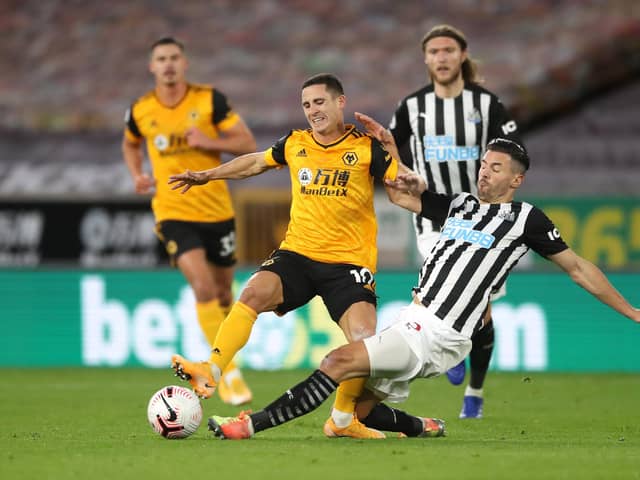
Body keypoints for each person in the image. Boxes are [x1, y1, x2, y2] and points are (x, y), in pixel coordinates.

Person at [205, 137, 640, 440]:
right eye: (484, 165)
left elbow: (580, 268)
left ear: (516, 180)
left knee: (338, 361)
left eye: (496, 169)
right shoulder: (460, 204)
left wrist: (634, 313)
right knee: (359, 411)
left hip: (442, 332)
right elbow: (400, 197)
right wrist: (389, 151)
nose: (484, 174)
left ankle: (250, 424)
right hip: (412, 319)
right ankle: (421, 426)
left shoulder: (526, 219)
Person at [168, 73, 416, 439]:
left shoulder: (366, 149)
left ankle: (344, 420)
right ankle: (212, 369)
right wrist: (208, 175)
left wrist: (393, 150)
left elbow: (404, 185)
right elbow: (255, 162)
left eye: (319, 102)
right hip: (297, 254)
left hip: (348, 263)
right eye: (306, 105)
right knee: (252, 292)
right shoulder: (295, 143)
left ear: (339, 102)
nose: (312, 111)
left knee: (364, 340)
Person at [374, 24, 523, 418]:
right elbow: (390, 158)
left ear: (462, 56)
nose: (441, 57)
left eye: (448, 50)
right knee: (434, 299)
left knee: (482, 311)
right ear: (425, 59)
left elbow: (514, 154)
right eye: (434, 51)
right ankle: (454, 351)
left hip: (484, 217)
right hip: (434, 218)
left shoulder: (487, 105)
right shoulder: (411, 107)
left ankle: (474, 389)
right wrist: (408, 175)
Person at [122, 37, 256, 406]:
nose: (168, 64)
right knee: (203, 289)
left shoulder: (209, 100)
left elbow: (247, 143)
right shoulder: (141, 109)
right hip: (172, 211)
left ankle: (224, 358)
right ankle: (226, 376)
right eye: (161, 59)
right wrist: (137, 174)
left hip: (217, 211)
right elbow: (130, 143)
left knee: (225, 294)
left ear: (185, 63)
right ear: (152, 66)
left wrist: (210, 138)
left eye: (174, 58)